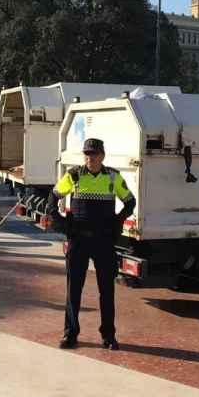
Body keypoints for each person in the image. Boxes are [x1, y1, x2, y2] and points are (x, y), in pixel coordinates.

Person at [51, 138, 136, 351]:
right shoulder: (74, 175)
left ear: (102, 156)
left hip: (103, 241)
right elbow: (53, 198)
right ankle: (70, 334)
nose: (90, 158)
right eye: (87, 154)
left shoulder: (113, 177)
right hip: (79, 240)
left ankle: (108, 336)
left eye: (94, 154)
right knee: (74, 290)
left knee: (107, 290)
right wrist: (62, 223)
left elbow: (130, 201)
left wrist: (117, 221)